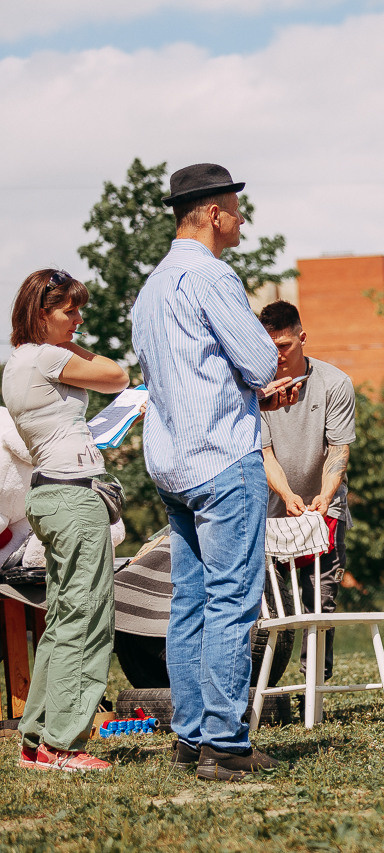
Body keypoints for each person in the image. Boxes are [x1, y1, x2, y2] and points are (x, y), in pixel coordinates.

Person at [131, 163, 298, 780]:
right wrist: (259, 386)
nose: (241, 218)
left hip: (172, 463)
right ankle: (225, 745)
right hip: (224, 458)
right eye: (234, 206)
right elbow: (258, 358)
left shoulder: (150, 289)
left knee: (190, 602)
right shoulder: (213, 276)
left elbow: (172, 374)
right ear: (210, 213)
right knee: (232, 601)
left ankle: (190, 734)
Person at [4, 269, 129, 771]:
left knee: (61, 621)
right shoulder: (49, 356)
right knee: (88, 618)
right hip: (74, 499)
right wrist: (77, 350)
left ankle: (36, 740)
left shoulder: (17, 362)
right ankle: (63, 745)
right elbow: (117, 374)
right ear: (40, 314)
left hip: (50, 497)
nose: (78, 321)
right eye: (69, 311)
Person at [258, 300, 356, 682]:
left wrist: (326, 495)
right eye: (269, 347)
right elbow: (264, 453)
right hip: (272, 510)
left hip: (324, 510)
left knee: (321, 601)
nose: (277, 355)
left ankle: (311, 687)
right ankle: (259, 687)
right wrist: (285, 495)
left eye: (284, 345)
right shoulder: (258, 388)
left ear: (302, 338)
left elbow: (339, 448)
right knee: (269, 604)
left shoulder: (335, 383)